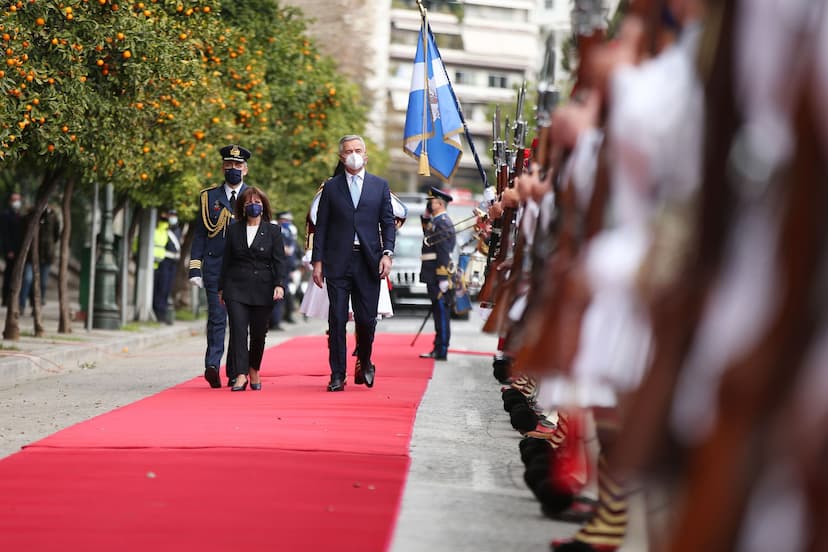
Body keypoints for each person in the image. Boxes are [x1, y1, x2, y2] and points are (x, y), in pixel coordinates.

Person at [311, 134, 396, 392]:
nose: (354, 154)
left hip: (368, 261)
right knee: (336, 319)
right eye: (348, 150)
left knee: (366, 319)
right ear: (341, 156)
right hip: (338, 261)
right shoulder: (332, 187)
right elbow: (321, 226)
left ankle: (366, 360)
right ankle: (338, 373)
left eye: (358, 149)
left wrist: (387, 253)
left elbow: (388, 223)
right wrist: (318, 261)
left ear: (366, 154)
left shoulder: (379, 186)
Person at [189, 144, 249, 389]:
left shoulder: (252, 197)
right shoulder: (209, 197)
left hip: (243, 270)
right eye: (229, 165)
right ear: (223, 167)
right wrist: (195, 267)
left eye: (237, 165)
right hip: (215, 267)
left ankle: (236, 371)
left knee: (238, 322)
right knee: (216, 318)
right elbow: (200, 235)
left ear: (245, 169)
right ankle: (212, 366)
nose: (233, 169)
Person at [218, 187, 286, 392]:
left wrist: (279, 285)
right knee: (238, 331)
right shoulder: (233, 230)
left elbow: (279, 261)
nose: (253, 205)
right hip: (236, 287)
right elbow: (226, 261)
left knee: (258, 334)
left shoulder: (273, 231)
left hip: (263, 288)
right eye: (248, 202)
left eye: (256, 201)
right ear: (242, 207)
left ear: (263, 205)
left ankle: (254, 369)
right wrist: (221, 288)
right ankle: (240, 375)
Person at [419, 187, 456, 361]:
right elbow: (427, 236)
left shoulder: (443, 222)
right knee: (437, 312)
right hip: (431, 272)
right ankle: (438, 346)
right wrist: (426, 215)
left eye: (432, 201)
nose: (430, 203)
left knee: (441, 312)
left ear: (440, 203)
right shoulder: (436, 220)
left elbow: (444, 251)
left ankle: (441, 349)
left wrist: (442, 277)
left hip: (437, 273)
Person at [19, 203, 60, 312]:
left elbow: (56, 235)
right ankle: (21, 305)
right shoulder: (30, 215)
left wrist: (50, 246)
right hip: (30, 256)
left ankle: (36, 306)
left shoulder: (52, 216)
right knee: (27, 280)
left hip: (46, 256)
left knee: (42, 283)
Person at [270, 211, 302, 330]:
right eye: (285, 220)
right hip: (277, 267)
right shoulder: (276, 229)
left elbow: (292, 251)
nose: (287, 222)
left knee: (284, 294)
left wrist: (293, 267)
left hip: (287, 268)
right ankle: (274, 321)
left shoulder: (289, 232)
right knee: (277, 295)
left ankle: (280, 318)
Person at [152, 209, 182, 325]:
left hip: (173, 263)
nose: (173, 217)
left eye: (175, 215)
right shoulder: (164, 229)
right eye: (171, 215)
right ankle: (159, 313)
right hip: (164, 262)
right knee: (162, 287)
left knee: (167, 288)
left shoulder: (177, 230)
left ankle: (163, 312)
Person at [1, 192, 24, 308]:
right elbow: (4, 234)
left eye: (18, 200)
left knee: (18, 275)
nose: (16, 202)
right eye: (14, 200)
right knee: (9, 275)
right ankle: (5, 298)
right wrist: (9, 250)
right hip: (10, 251)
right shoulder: (6, 215)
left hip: (20, 250)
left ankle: (16, 299)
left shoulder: (20, 215)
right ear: (10, 201)